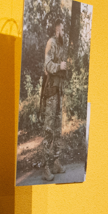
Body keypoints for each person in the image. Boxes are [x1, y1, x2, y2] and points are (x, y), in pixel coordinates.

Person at [38, 20, 68, 181]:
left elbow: (62, 69)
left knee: (57, 130)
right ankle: (45, 168)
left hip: (59, 92)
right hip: (50, 94)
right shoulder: (51, 42)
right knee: (49, 130)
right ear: (56, 30)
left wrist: (65, 69)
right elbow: (48, 65)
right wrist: (59, 67)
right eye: (62, 29)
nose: (63, 32)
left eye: (64, 30)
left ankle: (55, 163)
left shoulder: (62, 46)